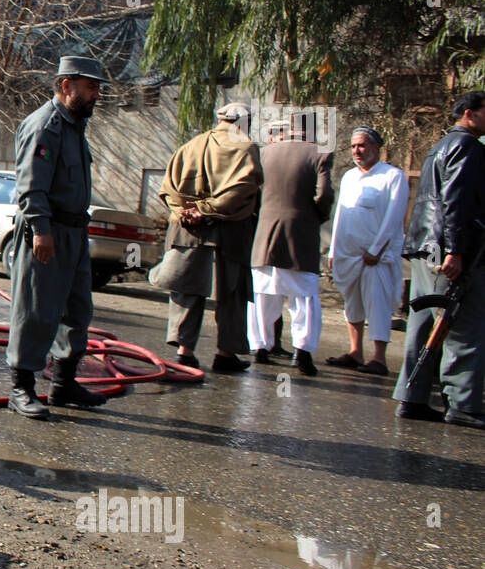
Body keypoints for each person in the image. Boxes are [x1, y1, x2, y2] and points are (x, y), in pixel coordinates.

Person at [6, 56, 111, 419]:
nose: (96, 95)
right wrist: (41, 230)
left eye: (97, 88)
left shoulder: (75, 127)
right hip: (47, 230)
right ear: (67, 86)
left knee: (76, 309)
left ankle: (64, 383)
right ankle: (21, 388)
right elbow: (31, 187)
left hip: (75, 232)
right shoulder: (44, 127)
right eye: (91, 87)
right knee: (35, 309)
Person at [392, 90, 485, 428]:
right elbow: (456, 201)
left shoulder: (440, 146)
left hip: (426, 248)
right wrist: (457, 250)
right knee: (463, 325)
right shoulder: (467, 147)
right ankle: (462, 402)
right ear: (470, 114)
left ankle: (412, 396)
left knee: (423, 325)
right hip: (446, 251)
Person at [152, 101, 264, 372]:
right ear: (245, 123)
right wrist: (207, 209)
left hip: (188, 230)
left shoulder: (191, 145)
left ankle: (184, 351)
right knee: (232, 292)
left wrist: (188, 212)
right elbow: (243, 187)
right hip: (231, 233)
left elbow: (168, 189)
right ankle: (226, 354)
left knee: (188, 288)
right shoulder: (247, 148)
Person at [246, 116, 334, 375]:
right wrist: (316, 216)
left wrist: (261, 216)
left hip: (265, 231)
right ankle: (302, 352)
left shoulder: (265, 153)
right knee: (304, 295)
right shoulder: (320, 153)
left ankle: (260, 347)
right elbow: (324, 194)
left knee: (262, 293)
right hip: (301, 231)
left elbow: (253, 190)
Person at [326, 126, 408, 375]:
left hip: (376, 258)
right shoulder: (350, 176)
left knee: (377, 305)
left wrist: (376, 250)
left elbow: (394, 218)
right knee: (352, 304)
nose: (357, 151)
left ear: (375, 147)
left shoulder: (393, 176)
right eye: (353, 146)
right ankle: (355, 352)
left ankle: (379, 358)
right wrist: (332, 251)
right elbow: (340, 214)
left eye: (361, 145)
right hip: (349, 254)